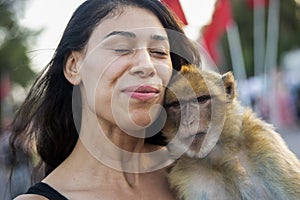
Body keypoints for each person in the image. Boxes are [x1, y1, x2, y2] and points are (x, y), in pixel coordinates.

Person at [10, 0, 200, 199]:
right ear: (74, 66)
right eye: (121, 48)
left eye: (159, 52)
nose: (147, 65)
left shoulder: (204, 174)